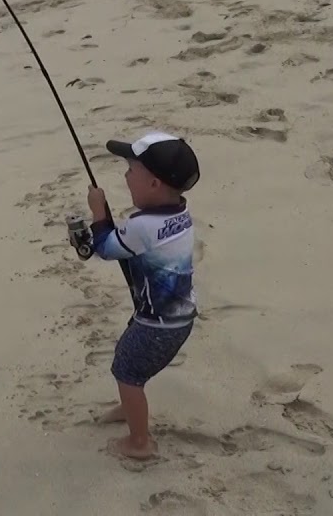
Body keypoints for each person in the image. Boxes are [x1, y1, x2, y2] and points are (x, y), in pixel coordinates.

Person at [87, 131, 200, 461]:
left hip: (158, 324)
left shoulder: (141, 228)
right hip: (177, 316)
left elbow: (106, 249)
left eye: (131, 170)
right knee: (127, 355)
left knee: (128, 373)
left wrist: (98, 213)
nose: (126, 175)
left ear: (153, 185)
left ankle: (140, 443)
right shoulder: (181, 215)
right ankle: (128, 407)